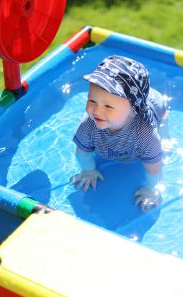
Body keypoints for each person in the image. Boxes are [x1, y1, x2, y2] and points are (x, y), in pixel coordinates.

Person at [72, 55, 168, 211]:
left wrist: (151, 189)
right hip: (136, 99)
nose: (97, 110)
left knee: (162, 136)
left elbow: (154, 167)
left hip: (156, 103)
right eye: (92, 100)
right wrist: (88, 170)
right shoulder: (89, 123)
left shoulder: (145, 134)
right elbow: (82, 153)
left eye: (108, 106)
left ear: (133, 110)